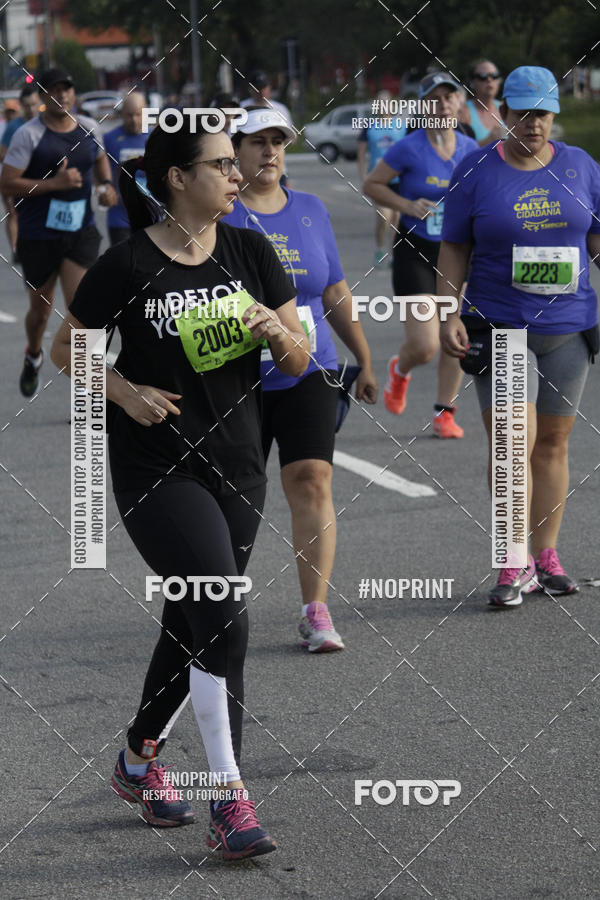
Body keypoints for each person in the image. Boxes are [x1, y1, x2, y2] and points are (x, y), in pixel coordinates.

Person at [51, 118, 309, 857]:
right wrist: (123, 391)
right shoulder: (126, 266)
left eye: (238, 165)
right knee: (223, 615)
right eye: (223, 166)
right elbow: (70, 347)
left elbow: (298, 360)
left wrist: (277, 335)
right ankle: (230, 799)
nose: (240, 175)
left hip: (238, 465)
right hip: (156, 466)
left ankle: (138, 759)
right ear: (177, 178)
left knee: (193, 620)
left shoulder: (250, 250)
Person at [438, 65, 600, 606]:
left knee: (553, 445)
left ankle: (545, 554)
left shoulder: (580, 167)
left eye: (544, 114)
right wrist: (448, 312)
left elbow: (595, 240)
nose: (534, 125)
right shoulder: (476, 168)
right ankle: (513, 562)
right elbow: (455, 247)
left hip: (568, 329)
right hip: (501, 325)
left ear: (555, 115)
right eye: (523, 113)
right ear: (503, 112)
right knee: (510, 445)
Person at [224, 107, 378, 651]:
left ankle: (316, 609)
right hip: (234, 376)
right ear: (233, 151)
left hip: (310, 366)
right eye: (257, 142)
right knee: (234, 494)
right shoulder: (216, 214)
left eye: (278, 142)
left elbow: (334, 291)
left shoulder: (310, 209)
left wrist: (362, 358)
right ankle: (219, 605)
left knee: (311, 477)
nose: (269, 151)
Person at [363, 72, 478, 437]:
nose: (443, 104)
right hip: (416, 249)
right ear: (424, 106)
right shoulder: (408, 147)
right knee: (426, 344)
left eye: (449, 97)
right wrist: (408, 205)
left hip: (456, 251)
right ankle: (401, 369)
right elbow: (372, 184)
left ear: (459, 104)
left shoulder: (471, 150)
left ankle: (445, 412)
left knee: (455, 334)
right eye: (434, 98)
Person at [0, 68, 118, 397]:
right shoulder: (28, 135)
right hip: (39, 235)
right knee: (39, 313)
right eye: (54, 90)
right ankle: (33, 354)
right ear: (42, 96)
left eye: (66, 89)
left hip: (80, 231)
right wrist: (55, 184)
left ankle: (88, 393)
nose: (62, 95)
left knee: (83, 309)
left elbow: (99, 159)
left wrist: (106, 185)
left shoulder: (89, 128)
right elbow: (7, 182)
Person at [357, 90, 405, 267]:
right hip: (378, 179)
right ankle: (379, 249)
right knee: (384, 216)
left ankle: (393, 255)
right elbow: (361, 154)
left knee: (397, 218)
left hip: (399, 179)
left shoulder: (401, 126)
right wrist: (363, 176)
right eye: (380, 103)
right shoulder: (369, 126)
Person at [0, 85, 42, 260]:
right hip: (15, 179)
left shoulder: (46, 122)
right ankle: (16, 249)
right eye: (27, 106)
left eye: (33, 105)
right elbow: (2, 152)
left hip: (41, 180)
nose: (31, 109)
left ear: (39, 103)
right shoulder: (14, 127)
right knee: (13, 212)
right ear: (21, 106)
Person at [103, 92, 148, 245]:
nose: (134, 120)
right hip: (119, 219)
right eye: (129, 115)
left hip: (150, 219)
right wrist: (104, 189)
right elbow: (100, 171)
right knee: (123, 266)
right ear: (122, 114)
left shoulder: (155, 138)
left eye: (138, 114)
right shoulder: (109, 139)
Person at [461, 60, 505, 146]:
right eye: (482, 76)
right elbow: (461, 151)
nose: (489, 80)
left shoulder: (505, 108)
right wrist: (489, 140)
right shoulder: (463, 112)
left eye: (494, 76)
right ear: (472, 82)